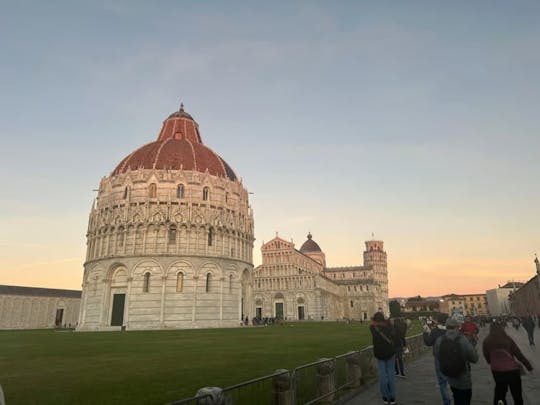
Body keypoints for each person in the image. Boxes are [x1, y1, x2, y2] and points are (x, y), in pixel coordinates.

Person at [482, 322, 533, 405]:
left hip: (497, 370)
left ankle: (500, 400)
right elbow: (518, 353)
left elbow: (486, 355)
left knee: (500, 391)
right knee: (517, 394)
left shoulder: (487, 341)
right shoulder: (507, 339)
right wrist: (528, 366)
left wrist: (491, 362)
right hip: (512, 370)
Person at [434, 317, 478, 405]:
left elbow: (438, 356)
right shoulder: (462, 340)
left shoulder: (440, 340)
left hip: (450, 377)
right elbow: (474, 358)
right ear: (457, 327)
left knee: (456, 398)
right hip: (464, 378)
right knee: (465, 400)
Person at [423, 313, 451, 405]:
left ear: (438, 320)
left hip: (439, 358)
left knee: (442, 382)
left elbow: (428, 342)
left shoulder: (435, 331)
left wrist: (425, 332)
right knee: (453, 379)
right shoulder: (452, 330)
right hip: (452, 357)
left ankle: (447, 402)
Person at [370, 312, 397, 405]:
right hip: (390, 353)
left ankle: (385, 397)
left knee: (382, 375)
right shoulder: (389, 326)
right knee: (391, 375)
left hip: (380, 354)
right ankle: (392, 397)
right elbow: (394, 334)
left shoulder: (373, 328)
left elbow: (371, 322)